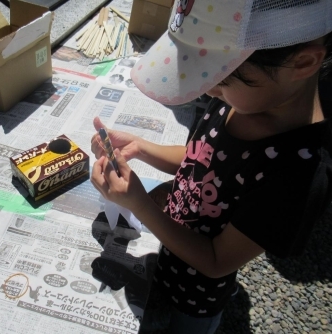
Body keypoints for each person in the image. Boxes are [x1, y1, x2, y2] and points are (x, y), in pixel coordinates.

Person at [90, 0, 332, 333]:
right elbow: (202, 154)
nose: (207, 87)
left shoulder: (296, 174)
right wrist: (142, 148)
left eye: (221, 76)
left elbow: (217, 261)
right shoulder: (240, 100)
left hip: (197, 296)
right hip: (171, 248)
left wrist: (140, 205)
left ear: (302, 62)